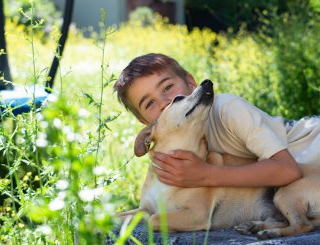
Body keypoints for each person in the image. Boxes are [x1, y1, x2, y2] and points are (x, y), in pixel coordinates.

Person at [114, 53, 320, 188]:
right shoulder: (175, 144)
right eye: (149, 104)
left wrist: (206, 175)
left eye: (168, 87)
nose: (165, 102)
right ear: (145, 122)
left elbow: (287, 170)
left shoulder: (228, 109)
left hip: (312, 147)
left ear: (191, 83)